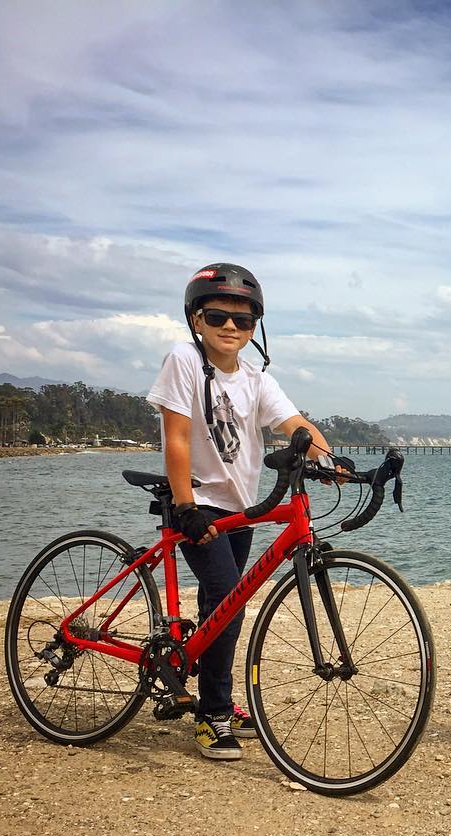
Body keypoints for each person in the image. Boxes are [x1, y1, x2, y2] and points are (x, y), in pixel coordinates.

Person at [147, 263, 335, 761]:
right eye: (218, 316)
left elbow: (296, 423)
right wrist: (184, 505)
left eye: (244, 320)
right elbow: (178, 437)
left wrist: (330, 459)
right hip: (198, 504)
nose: (231, 327)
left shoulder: (255, 380)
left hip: (241, 510)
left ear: (256, 329)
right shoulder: (183, 360)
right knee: (228, 601)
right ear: (196, 320)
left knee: (224, 607)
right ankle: (212, 715)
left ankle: (218, 699)